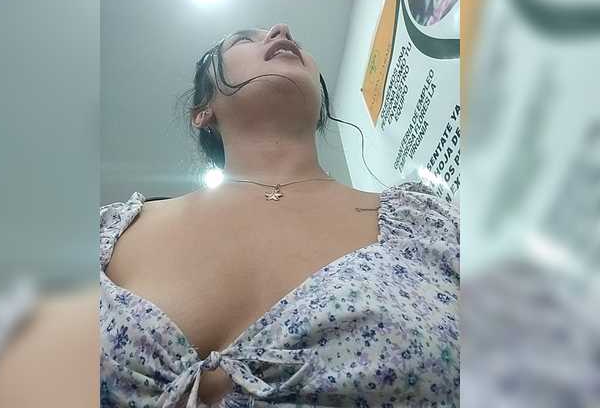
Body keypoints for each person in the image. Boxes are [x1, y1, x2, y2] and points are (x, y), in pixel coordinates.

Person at [99, 23, 460, 407]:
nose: (281, 30)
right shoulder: (106, 232)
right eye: (243, 39)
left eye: (291, 37)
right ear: (202, 112)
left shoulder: (428, 224)